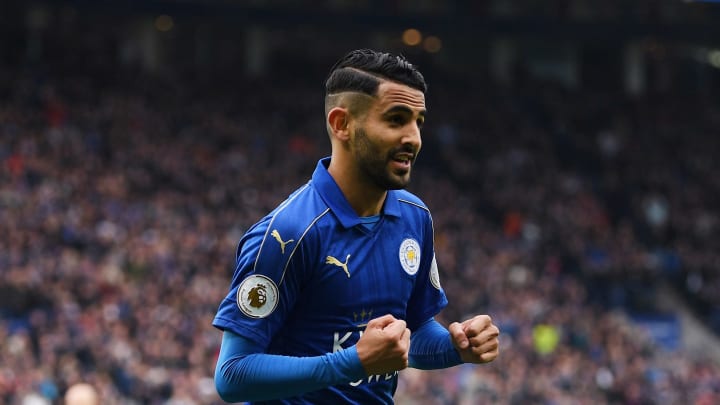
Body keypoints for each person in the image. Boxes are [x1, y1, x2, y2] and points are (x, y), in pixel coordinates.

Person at [212, 48, 500, 404]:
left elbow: (413, 336)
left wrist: (457, 347)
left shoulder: (415, 217)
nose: (414, 138)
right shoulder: (287, 234)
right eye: (396, 119)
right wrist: (353, 362)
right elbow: (232, 375)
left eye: (418, 121)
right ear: (341, 124)